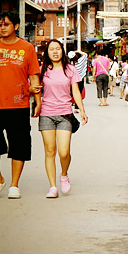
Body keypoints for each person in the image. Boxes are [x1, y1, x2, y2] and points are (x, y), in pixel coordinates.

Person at [0, 11, 41, 199]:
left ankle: (14, 184)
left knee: (19, 145)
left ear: (15, 26)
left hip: (19, 105)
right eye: (0, 25)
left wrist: (37, 102)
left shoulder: (27, 48)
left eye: (6, 24)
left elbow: (33, 76)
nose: (2, 27)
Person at [31, 39, 88, 198]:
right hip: (47, 114)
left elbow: (75, 91)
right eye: (51, 49)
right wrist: (36, 102)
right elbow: (36, 89)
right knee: (50, 151)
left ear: (62, 51)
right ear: (47, 53)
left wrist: (82, 110)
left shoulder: (70, 69)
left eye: (57, 49)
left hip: (65, 114)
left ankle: (64, 174)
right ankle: (52, 186)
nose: (55, 52)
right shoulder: (43, 70)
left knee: (64, 152)